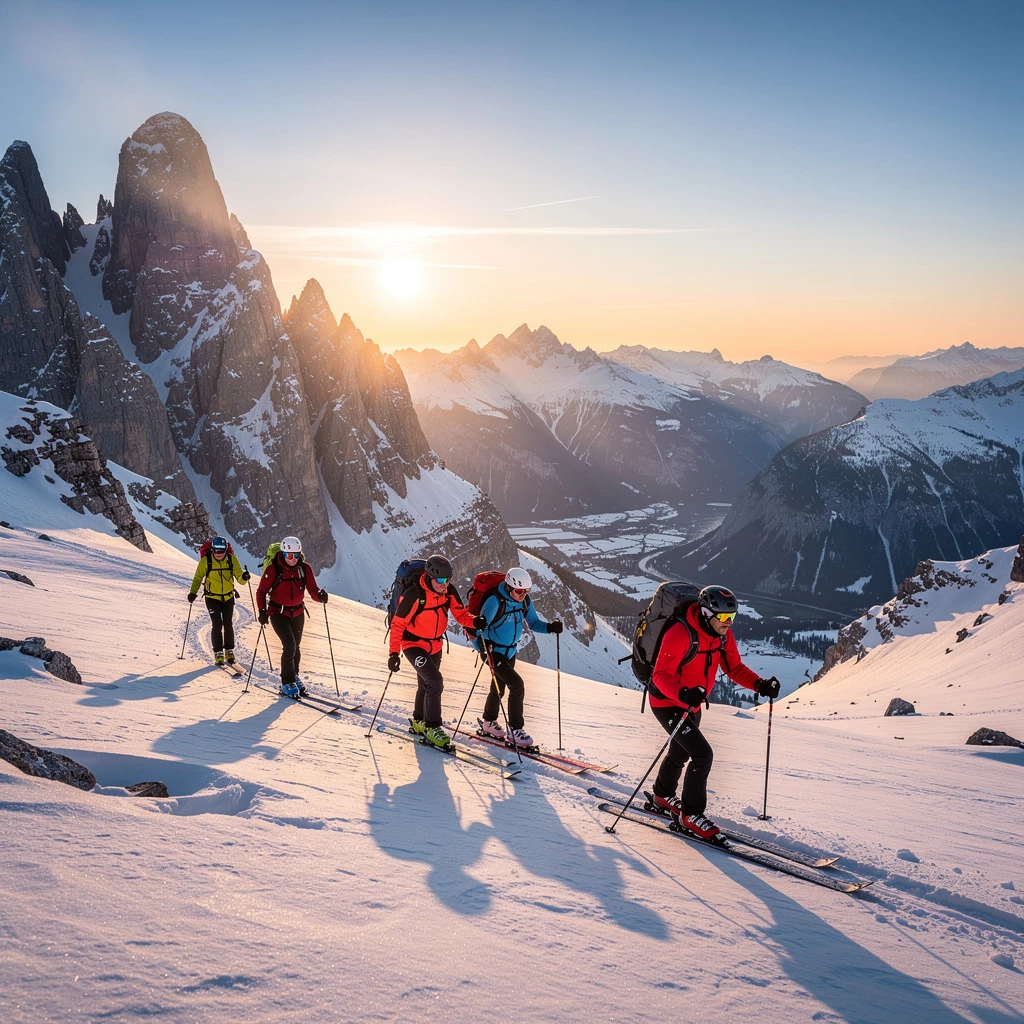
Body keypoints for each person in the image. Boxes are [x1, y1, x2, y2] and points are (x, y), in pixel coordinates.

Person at [646, 584, 780, 839]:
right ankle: (690, 815)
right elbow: (660, 674)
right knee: (702, 754)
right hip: (667, 701)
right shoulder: (680, 633)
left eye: (732, 617)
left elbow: (734, 667)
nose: (729, 623)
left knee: (681, 750)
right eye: (724, 617)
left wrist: (759, 684)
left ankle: (662, 795)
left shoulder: (722, 635)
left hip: (691, 702)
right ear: (707, 614)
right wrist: (683, 694)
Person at [387, 554, 479, 750]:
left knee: (426, 685)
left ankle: (419, 721)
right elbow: (397, 624)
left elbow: (460, 613)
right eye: (441, 580)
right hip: (413, 644)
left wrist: (475, 621)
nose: (445, 584)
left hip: (435, 645)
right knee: (435, 681)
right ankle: (433, 727)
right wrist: (394, 654)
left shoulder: (448, 591)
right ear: (430, 576)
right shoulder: (414, 594)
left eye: (448, 580)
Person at [474, 567, 562, 748]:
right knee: (516, 684)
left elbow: (534, 622)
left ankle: (488, 723)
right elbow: (478, 629)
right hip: (493, 651)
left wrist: (550, 627)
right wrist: (482, 648)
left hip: (510, 652)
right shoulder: (494, 601)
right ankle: (515, 730)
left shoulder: (524, 601)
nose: (523, 595)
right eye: (520, 591)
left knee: (498, 688)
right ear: (509, 586)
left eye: (526, 591)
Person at [255, 536, 328, 698]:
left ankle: (294, 675)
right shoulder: (273, 569)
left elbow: (312, 590)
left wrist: (320, 596)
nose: (293, 559)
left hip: (298, 612)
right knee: (289, 646)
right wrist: (262, 611)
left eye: (296, 555)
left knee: (297, 647)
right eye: (289, 556)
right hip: (277, 613)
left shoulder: (304, 569)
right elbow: (261, 592)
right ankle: (287, 682)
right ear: (283, 553)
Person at [187, 536, 248, 666]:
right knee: (217, 624)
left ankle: (229, 651)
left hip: (228, 597)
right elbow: (198, 577)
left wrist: (244, 577)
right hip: (212, 598)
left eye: (222, 551)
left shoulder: (232, 560)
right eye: (216, 551)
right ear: (212, 550)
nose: (219, 554)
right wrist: (193, 592)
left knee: (228, 624)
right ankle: (218, 653)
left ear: (226, 550)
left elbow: (239, 577)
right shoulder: (206, 561)